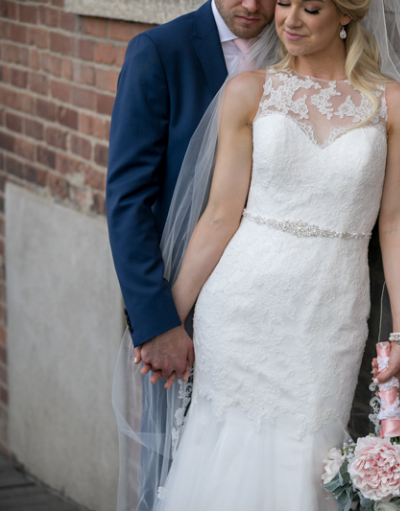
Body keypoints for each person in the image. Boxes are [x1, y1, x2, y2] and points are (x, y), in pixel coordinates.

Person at [112, 0, 400, 507]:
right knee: (224, 451)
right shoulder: (248, 91)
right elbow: (219, 215)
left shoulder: (391, 102)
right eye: (285, 3)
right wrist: (167, 321)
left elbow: (395, 219)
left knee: (308, 453)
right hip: (239, 309)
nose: (290, 20)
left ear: (345, 15)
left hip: (329, 314)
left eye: (310, 8)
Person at [106, 1, 276, 509]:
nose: (252, 5)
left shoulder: (301, 48)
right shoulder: (159, 52)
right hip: (185, 303)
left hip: (273, 305)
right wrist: (157, 322)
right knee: (178, 467)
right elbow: (128, 200)